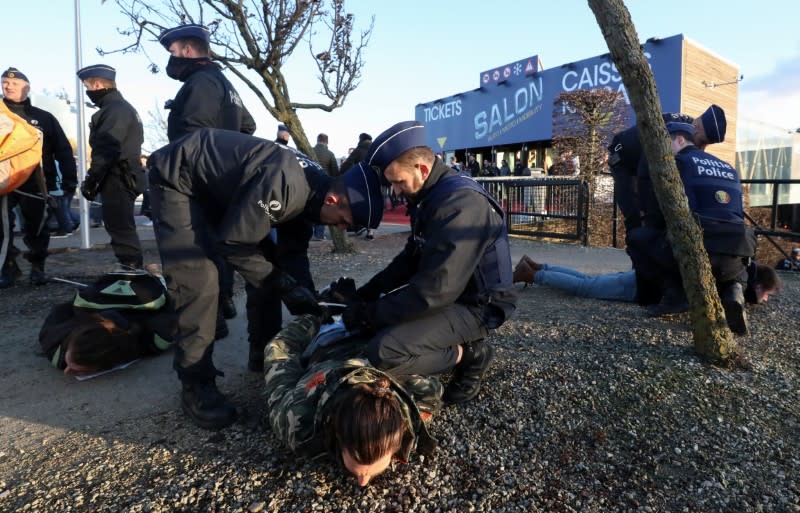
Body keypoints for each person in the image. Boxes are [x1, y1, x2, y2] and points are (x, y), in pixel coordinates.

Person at [147, 128, 384, 430]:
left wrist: (307, 298)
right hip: (178, 179)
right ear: (335, 200)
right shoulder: (285, 187)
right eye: (342, 221)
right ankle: (196, 381)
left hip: (220, 189)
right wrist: (282, 283)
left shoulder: (314, 192)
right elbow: (233, 244)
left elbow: (292, 254)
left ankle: (263, 351)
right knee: (201, 279)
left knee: (270, 268)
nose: (340, 228)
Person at [332, 121, 517, 405]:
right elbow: (410, 259)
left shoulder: (461, 205)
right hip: (455, 294)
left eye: (398, 182)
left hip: (478, 305)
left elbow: (436, 291)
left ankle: (471, 356)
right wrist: (366, 294)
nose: (395, 191)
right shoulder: (433, 195)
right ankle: (447, 347)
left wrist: (370, 313)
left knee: (384, 351)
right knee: (380, 326)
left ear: (421, 169)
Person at [263, 313, 441, 487]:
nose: (362, 483)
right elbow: (279, 350)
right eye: (364, 473)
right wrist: (314, 318)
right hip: (332, 337)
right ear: (336, 434)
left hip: (380, 330)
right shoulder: (297, 419)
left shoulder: (418, 401)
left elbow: (278, 349)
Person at [159, 23, 257, 325]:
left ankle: (209, 316)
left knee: (198, 250)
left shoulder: (200, 82)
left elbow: (193, 133)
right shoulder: (225, 83)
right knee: (216, 245)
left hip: (197, 179)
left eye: (173, 51)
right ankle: (222, 303)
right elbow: (248, 127)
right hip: (221, 178)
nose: (171, 58)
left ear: (187, 50)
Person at [627, 122, 755, 334]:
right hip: (736, 257)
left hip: (698, 249)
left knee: (637, 238)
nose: (661, 149)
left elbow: (656, 213)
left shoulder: (676, 163)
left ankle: (675, 294)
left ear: (680, 140)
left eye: (664, 143)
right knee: (735, 237)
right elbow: (736, 214)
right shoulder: (728, 167)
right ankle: (735, 291)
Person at [1, 67, 78, 287]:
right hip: (3, 181)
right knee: (1, 228)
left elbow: (62, 150)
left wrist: (69, 182)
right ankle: (8, 267)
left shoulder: (43, 117)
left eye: (14, 84)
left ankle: (37, 267)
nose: (8, 86)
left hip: (37, 182)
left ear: (27, 88)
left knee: (37, 227)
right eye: (5, 82)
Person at [77, 64, 145, 269]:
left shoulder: (113, 110)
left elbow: (107, 149)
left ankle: (131, 271)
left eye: (87, 87)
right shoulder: (123, 108)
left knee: (119, 226)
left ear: (97, 84)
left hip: (118, 176)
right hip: (127, 174)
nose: (88, 92)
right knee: (121, 225)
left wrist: (92, 180)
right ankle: (131, 268)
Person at [513, 255, 780, 306]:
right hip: (640, 287)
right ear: (758, 286)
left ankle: (537, 266)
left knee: (588, 280)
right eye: (766, 295)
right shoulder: (735, 282)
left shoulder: (736, 266)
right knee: (586, 287)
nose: (764, 299)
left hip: (644, 279)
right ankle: (533, 274)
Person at [341, 132, 375, 239]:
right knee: (371, 205)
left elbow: (347, 163)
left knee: (357, 203)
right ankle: (370, 231)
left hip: (360, 180)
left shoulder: (358, 150)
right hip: (373, 181)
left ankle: (358, 226)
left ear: (361, 139)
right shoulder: (374, 150)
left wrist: (341, 172)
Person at [312, 133, 340, 240]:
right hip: (323, 185)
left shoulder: (309, 150)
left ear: (317, 140)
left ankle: (308, 233)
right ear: (327, 142)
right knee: (321, 209)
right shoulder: (330, 154)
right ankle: (319, 234)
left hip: (308, 183)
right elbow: (335, 172)